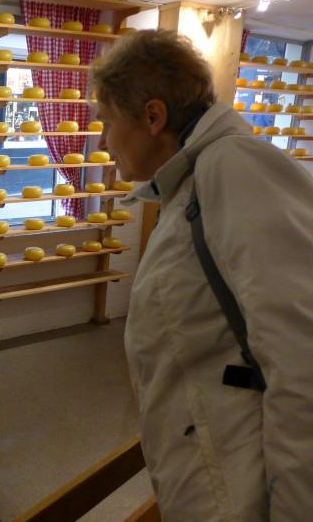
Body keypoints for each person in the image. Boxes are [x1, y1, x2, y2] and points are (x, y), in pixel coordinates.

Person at [90, 29, 313, 520]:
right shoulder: (191, 182)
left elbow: (302, 358)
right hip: (211, 470)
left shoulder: (237, 168)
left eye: (107, 122)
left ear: (153, 117)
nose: (103, 141)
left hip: (243, 490)